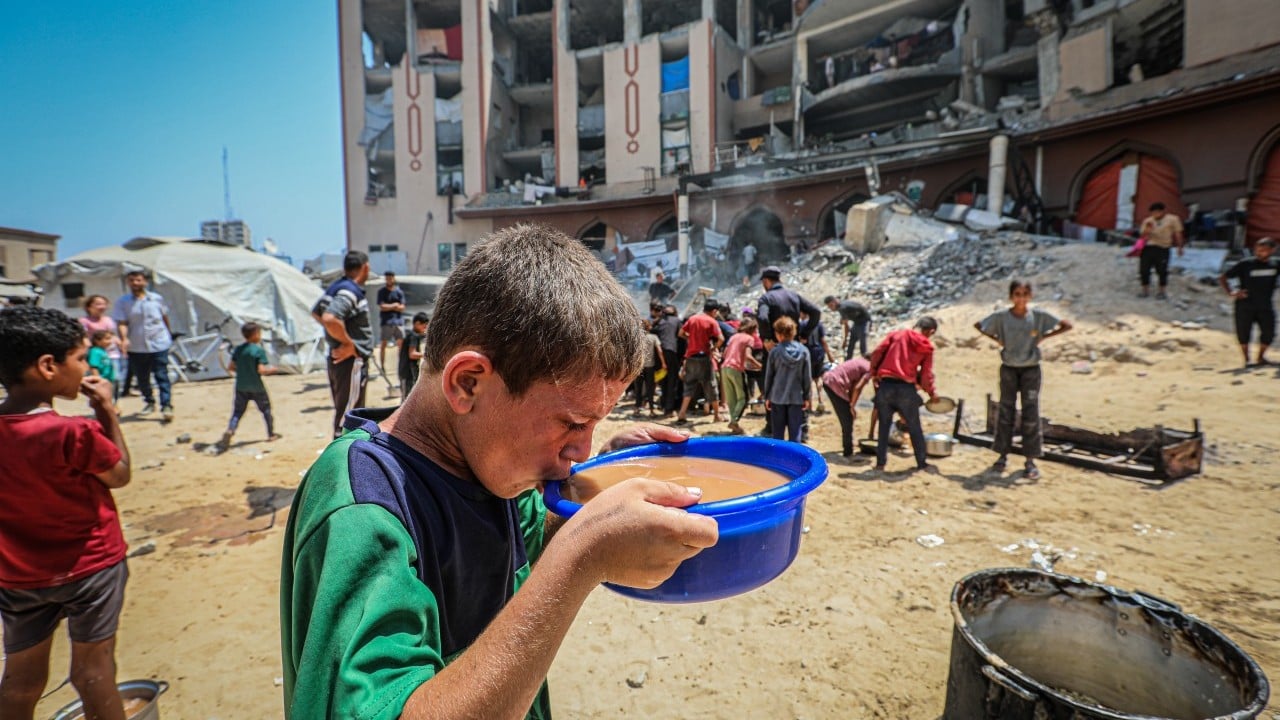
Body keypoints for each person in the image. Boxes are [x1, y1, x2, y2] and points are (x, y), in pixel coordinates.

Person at [279, 225, 717, 720]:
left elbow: (532, 537)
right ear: (467, 383)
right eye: (572, 423)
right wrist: (581, 558)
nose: (581, 449)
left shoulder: (487, 464)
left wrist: (601, 481)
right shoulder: (363, 508)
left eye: (597, 425)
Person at [0, 306, 132, 720]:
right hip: (91, 567)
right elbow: (119, 475)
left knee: (21, 680)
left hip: (18, 577)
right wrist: (106, 410)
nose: (85, 367)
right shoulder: (72, 432)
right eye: (79, 358)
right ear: (47, 366)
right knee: (93, 672)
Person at [974, 281, 1072, 480]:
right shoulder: (1002, 317)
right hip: (1009, 369)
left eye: (1025, 294)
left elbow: (1066, 325)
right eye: (1017, 294)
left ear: (1030, 296)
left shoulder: (1038, 316)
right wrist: (997, 340)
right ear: (1011, 296)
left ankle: (1030, 460)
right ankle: (1002, 456)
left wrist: (1044, 337)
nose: (1021, 297)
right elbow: (979, 325)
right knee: (1005, 411)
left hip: (1031, 371)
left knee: (1031, 413)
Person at [859, 316, 941, 472]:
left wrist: (874, 372)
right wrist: (932, 393)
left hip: (886, 386)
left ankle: (880, 463)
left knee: (883, 426)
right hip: (906, 389)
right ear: (930, 331)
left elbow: (877, 352)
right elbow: (925, 375)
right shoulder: (926, 346)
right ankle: (921, 462)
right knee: (914, 427)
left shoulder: (897, 335)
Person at [312, 251, 374, 438]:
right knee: (349, 418)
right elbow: (330, 318)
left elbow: (316, 313)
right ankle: (343, 460)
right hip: (351, 361)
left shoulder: (335, 287)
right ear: (365, 268)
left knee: (346, 411)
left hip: (341, 361)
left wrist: (337, 337)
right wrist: (349, 344)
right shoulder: (349, 291)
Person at [756, 266, 822, 435]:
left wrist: (767, 339)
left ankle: (772, 426)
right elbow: (815, 312)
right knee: (799, 382)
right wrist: (803, 334)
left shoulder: (767, 298)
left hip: (775, 348)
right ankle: (802, 427)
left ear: (766, 281)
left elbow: (763, 318)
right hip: (796, 346)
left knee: (774, 381)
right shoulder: (794, 296)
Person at [112, 270, 174, 422]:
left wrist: (169, 335)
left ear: (145, 282)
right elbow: (122, 322)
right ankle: (149, 402)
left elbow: (164, 318)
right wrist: (124, 338)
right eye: (132, 280)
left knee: (161, 375)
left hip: (158, 343)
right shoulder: (123, 302)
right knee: (142, 378)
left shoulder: (156, 299)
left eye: (138, 280)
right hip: (137, 345)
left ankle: (166, 405)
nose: (135, 283)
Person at [219, 322, 282, 450]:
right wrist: (273, 370)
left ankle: (231, 429)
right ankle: (271, 434)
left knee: (237, 412)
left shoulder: (238, 349)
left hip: (241, 386)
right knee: (266, 410)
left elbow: (231, 367)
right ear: (255, 335)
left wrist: (243, 371)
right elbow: (261, 370)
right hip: (256, 386)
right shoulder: (258, 350)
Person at [1219, 236, 1278, 367]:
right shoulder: (1246, 264)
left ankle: (1260, 357)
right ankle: (1247, 359)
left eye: (1264, 250)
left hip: (1265, 305)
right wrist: (1232, 292)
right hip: (1245, 305)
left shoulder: (1275, 264)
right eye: (1258, 249)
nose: (1260, 252)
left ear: (1272, 250)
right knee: (1243, 333)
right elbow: (1223, 277)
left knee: (1269, 332)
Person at [675, 300, 724, 425]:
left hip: (691, 357)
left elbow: (681, 333)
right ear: (714, 311)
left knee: (689, 385)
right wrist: (712, 349)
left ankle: (682, 413)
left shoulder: (693, 318)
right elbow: (721, 339)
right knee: (710, 385)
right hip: (704, 358)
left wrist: (690, 340)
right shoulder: (712, 321)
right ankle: (717, 415)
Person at [763, 316, 811, 442]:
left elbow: (769, 376)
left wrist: (767, 395)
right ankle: (794, 460)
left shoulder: (775, 352)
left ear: (779, 334)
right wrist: (807, 397)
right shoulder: (804, 351)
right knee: (795, 433)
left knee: (778, 434)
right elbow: (807, 377)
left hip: (777, 397)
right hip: (796, 397)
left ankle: (779, 460)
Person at [822, 356, 872, 458]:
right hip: (835, 383)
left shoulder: (860, 360)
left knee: (847, 416)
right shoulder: (869, 368)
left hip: (828, 379)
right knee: (847, 418)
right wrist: (852, 406)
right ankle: (848, 451)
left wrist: (850, 404)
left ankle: (848, 446)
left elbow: (854, 385)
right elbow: (858, 387)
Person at [721, 315, 761, 434]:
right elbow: (748, 356)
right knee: (743, 398)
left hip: (725, 368)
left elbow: (724, 354)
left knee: (731, 398)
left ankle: (734, 424)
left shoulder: (734, 337)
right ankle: (733, 422)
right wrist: (760, 366)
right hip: (736, 369)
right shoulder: (749, 339)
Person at [1137, 202, 1185, 299]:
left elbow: (1178, 233)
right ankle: (1145, 290)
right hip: (1149, 247)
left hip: (1163, 247)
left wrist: (1180, 247)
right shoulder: (1148, 221)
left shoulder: (1172, 219)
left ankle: (1162, 291)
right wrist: (1147, 230)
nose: (1155, 215)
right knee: (1144, 269)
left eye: (1157, 212)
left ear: (1162, 211)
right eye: (1153, 213)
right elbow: (1142, 235)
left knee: (1162, 270)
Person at [79, 295, 122, 395]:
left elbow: (113, 335)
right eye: (98, 304)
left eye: (104, 304)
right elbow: (84, 337)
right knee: (98, 377)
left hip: (112, 354)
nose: (102, 307)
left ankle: (113, 399)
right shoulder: (84, 321)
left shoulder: (108, 320)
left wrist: (119, 342)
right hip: (96, 354)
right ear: (89, 307)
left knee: (115, 378)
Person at [651, 303, 681, 417]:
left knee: (663, 381)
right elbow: (680, 335)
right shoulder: (677, 321)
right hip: (671, 352)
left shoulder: (659, 321)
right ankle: (669, 409)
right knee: (672, 381)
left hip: (659, 353)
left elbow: (653, 331)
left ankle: (663, 404)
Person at [634, 318, 665, 417]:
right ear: (649, 327)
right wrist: (664, 363)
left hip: (639, 367)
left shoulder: (637, 337)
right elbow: (659, 351)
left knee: (638, 388)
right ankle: (651, 410)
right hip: (650, 366)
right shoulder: (653, 337)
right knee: (650, 388)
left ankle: (637, 409)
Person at [376, 271, 407, 373]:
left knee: (401, 346)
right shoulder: (382, 292)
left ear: (394, 278)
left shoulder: (399, 292)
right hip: (387, 322)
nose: (389, 280)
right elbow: (382, 306)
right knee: (383, 345)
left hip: (398, 322)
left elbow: (402, 307)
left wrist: (390, 306)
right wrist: (394, 306)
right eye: (387, 278)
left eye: (390, 278)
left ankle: (401, 367)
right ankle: (383, 367)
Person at [824, 295, 872, 359]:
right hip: (857, 323)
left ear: (835, 302)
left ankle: (867, 364)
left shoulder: (842, 308)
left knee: (863, 348)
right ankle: (847, 362)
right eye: (829, 307)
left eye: (831, 306)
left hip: (864, 322)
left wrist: (845, 341)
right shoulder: (841, 306)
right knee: (850, 345)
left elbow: (846, 326)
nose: (831, 308)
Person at [399, 312, 430, 399]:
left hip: (409, 373)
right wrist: (426, 355)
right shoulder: (413, 336)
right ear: (417, 324)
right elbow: (412, 354)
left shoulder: (412, 335)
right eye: (424, 326)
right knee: (406, 400)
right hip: (407, 373)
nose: (425, 329)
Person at [87, 330, 118, 399]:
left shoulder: (102, 351)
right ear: (97, 341)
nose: (110, 341)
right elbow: (94, 367)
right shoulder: (95, 351)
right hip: (101, 381)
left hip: (108, 380)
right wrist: (98, 381)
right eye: (107, 339)